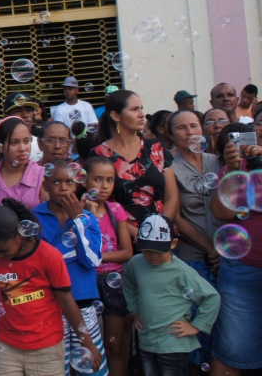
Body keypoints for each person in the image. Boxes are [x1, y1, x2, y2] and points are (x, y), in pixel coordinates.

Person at [0, 200, 103, 376]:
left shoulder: (49, 256)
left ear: (20, 234)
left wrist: (86, 341)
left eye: (4, 250)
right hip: (7, 346)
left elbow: (67, 302)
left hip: (46, 349)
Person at [33, 158, 107, 376]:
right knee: (57, 368)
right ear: (45, 186)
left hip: (84, 304)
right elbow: (41, 263)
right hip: (51, 306)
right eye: (56, 182)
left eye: (69, 182)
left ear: (77, 185)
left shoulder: (87, 217)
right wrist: (73, 248)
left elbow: (92, 260)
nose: (63, 188)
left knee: (93, 367)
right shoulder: (35, 217)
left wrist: (78, 220)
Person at [122, 214, 220, 376]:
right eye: (147, 250)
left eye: (158, 251)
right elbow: (128, 285)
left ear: (173, 244)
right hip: (147, 338)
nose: (153, 255)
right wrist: (134, 311)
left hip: (174, 341)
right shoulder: (136, 263)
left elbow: (212, 297)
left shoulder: (181, 271)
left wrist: (197, 326)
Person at [165, 110, 225, 369]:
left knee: (226, 321)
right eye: (181, 128)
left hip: (229, 250)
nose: (190, 132)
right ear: (171, 135)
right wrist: (209, 248)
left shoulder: (219, 162)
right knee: (196, 319)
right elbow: (176, 216)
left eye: (194, 125)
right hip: (192, 255)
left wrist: (220, 248)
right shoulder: (170, 168)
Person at [208, 131, 262, 376]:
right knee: (232, 348)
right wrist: (232, 170)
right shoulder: (242, 164)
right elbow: (221, 212)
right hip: (243, 269)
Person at [90, 90, 175, 227]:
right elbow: (101, 205)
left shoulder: (157, 148)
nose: (142, 114)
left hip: (163, 231)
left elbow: (172, 197)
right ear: (115, 116)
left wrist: (160, 229)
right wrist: (141, 235)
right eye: (134, 109)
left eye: (141, 108)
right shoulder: (99, 154)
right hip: (122, 233)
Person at [83, 156, 134, 376]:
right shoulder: (77, 211)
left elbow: (127, 252)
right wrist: (87, 215)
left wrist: (97, 257)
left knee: (114, 345)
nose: (104, 185)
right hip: (87, 282)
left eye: (110, 180)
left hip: (113, 282)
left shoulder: (116, 210)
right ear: (84, 180)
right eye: (97, 179)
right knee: (87, 347)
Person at [0, 116, 46, 210]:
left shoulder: (41, 175)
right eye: (14, 143)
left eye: (26, 141)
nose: (22, 148)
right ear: (0, 146)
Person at [0, 93, 43, 170]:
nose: (25, 115)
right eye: (18, 110)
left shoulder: (40, 143)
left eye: (29, 110)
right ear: (6, 116)